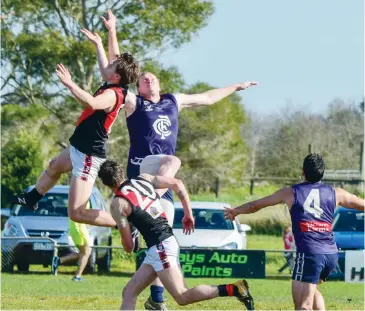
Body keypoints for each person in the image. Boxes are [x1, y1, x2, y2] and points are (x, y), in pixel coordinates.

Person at [99, 10, 258, 308]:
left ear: (158, 84)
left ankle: (158, 298)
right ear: (140, 86)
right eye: (143, 78)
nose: (148, 78)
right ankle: (157, 298)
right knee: (154, 238)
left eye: (151, 76)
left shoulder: (174, 101)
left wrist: (235, 87)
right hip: (141, 180)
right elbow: (120, 71)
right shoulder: (134, 103)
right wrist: (112, 31)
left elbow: (208, 97)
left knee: (157, 241)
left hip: (162, 186)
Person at [13, 30, 140, 230]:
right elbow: (108, 64)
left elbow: (91, 102)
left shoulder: (113, 94)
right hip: (80, 146)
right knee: (54, 166)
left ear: (116, 76)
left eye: (111, 65)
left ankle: (126, 224)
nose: (106, 65)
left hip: (88, 154)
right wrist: (99, 43)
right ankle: (33, 197)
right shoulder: (112, 81)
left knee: (77, 213)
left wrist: (69, 83)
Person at [97, 159, 255, 311]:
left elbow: (129, 247)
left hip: (161, 247)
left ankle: (234, 289)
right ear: (122, 172)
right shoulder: (143, 179)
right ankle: (235, 289)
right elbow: (177, 183)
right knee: (129, 292)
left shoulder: (117, 204)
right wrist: (188, 213)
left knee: (182, 296)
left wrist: (130, 235)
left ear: (105, 183)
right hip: (160, 246)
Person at [224, 153, 365, 310]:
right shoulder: (336, 193)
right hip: (331, 254)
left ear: (303, 172)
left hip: (310, 254)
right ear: (322, 173)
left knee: (303, 306)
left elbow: (255, 205)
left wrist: (236, 211)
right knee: (311, 289)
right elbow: (361, 204)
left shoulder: (291, 193)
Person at [51, 201, 92, 281]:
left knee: (83, 253)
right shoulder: (82, 198)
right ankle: (77, 276)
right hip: (79, 229)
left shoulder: (76, 197)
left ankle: (60, 260)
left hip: (76, 228)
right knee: (86, 253)